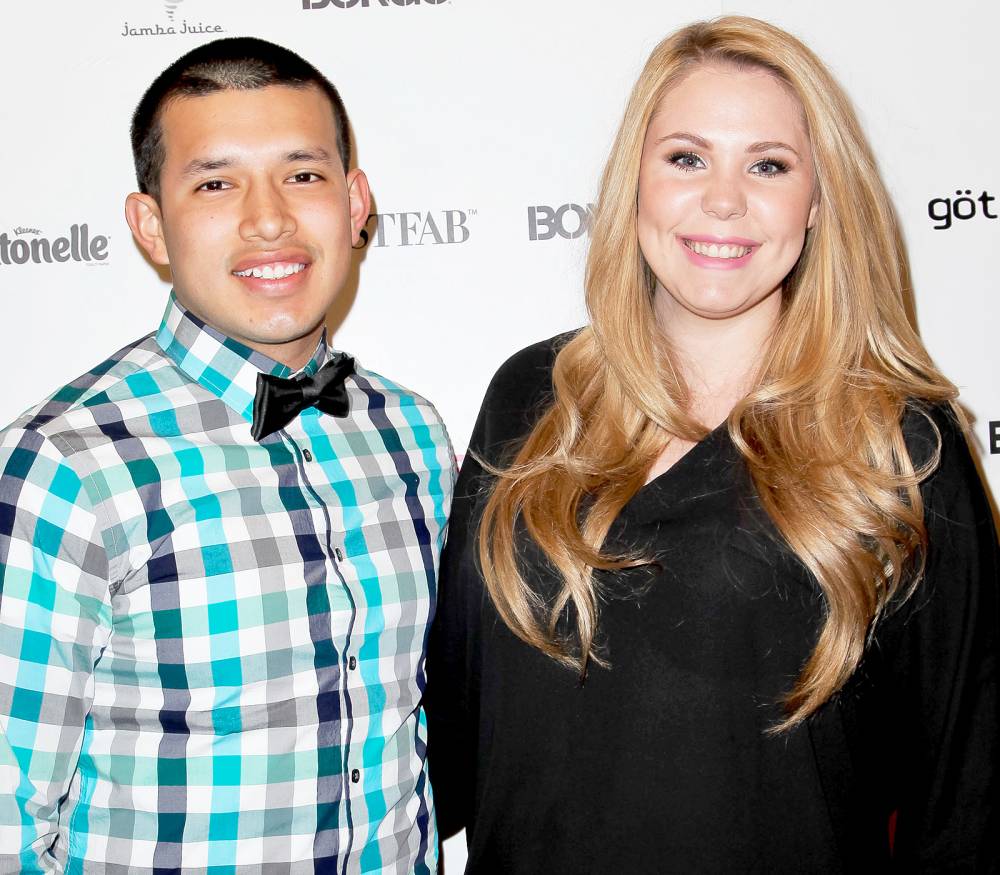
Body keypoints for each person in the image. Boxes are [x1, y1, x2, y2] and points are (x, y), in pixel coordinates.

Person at [426, 16, 998, 873]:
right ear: (637, 185)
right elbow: (450, 732)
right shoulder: (533, 395)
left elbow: (970, 787)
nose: (723, 200)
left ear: (817, 204)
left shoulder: (898, 437)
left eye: (768, 165)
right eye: (686, 158)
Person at [0, 37, 454, 873]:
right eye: (215, 183)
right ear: (151, 225)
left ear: (356, 204)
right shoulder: (65, 465)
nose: (269, 218)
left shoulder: (415, 434)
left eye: (304, 175)